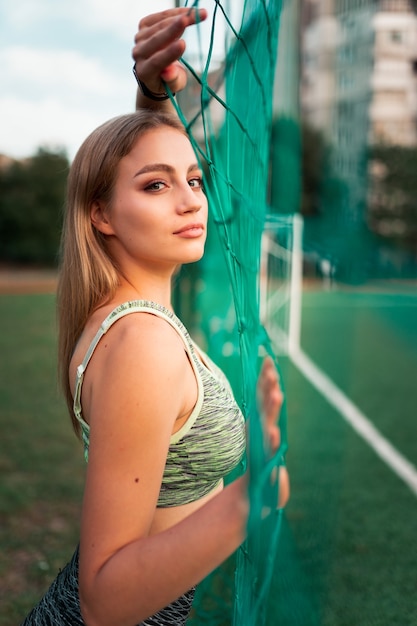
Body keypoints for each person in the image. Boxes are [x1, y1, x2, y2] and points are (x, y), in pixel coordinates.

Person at [22, 8, 289, 626]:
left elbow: (144, 154)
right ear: (101, 216)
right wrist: (252, 496)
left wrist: (152, 92)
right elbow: (106, 601)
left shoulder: (126, 315)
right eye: (156, 187)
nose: (191, 199)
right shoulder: (141, 342)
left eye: (193, 180)